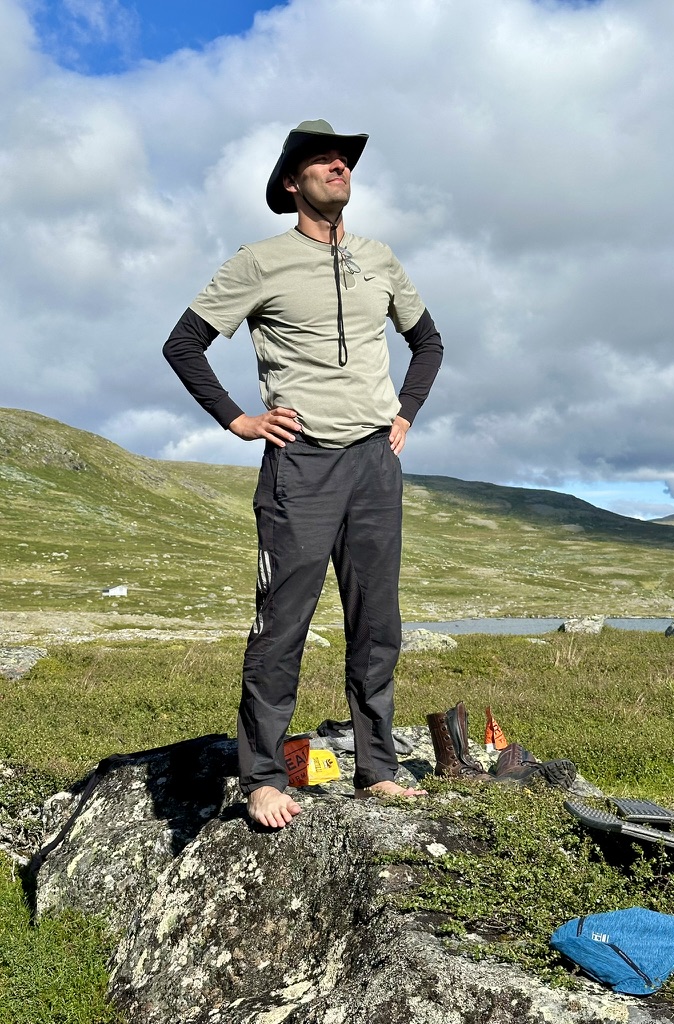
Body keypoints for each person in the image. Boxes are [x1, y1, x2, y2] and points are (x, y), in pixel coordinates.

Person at [163, 119, 443, 828]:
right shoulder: (260, 261)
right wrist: (239, 419)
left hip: (375, 464)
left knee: (377, 623)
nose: (338, 167)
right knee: (282, 624)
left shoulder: (379, 258)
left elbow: (427, 341)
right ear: (292, 183)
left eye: (344, 160)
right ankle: (261, 777)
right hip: (302, 463)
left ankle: (376, 769)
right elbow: (185, 343)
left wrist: (404, 411)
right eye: (321, 161)